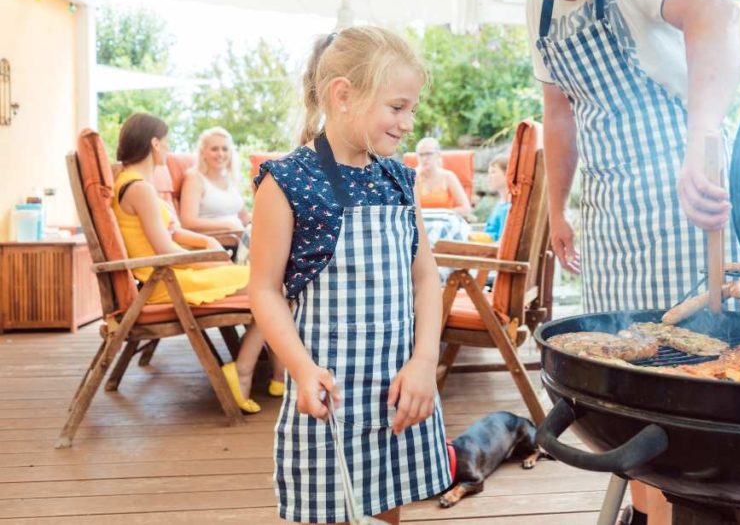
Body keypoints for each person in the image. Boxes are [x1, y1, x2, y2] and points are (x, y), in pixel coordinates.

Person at [478, 0, 740, 525]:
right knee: (625, 389)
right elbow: (559, 112)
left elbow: (713, 10)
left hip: (680, 197)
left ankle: (705, 506)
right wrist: (559, 208)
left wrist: (702, 140)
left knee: (696, 376)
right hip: (610, 215)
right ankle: (648, 511)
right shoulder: (542, 7)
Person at [247, 27, 451, 525]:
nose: (407, 123)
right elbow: (264, 290)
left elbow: (425, 279)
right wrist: (297, 367)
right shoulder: (288, 182)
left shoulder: (399, 180)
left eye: (410, 109)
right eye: (397, 107)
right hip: (328, 394)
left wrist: (425, 361)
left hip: (398, 390)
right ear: (343, 95)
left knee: (385, 509)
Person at [112, 112, 267, 414]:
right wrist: (209, 261)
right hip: (166, 282)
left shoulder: (135, 184)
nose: (168, 150)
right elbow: (164, 249)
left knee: (268, 285)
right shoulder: (140, 189)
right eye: (166, 144)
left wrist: (206, 243)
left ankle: (251, 369)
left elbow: (170, 232)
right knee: (272, 288)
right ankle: (243, 372)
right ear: (154, 144)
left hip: (168, 275)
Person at [179, 126, 250, 235]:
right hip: (219, 243)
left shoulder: (232, 178)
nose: (220, 154)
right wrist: (228, 226)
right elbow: (188, 222)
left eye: (225, 149)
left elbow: (244, 217)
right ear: (203, 153)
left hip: (241, 238)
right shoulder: (195, 178)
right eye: (214, 149)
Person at [413, 137, 472, 218]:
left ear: (438, 155)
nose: (424, 158)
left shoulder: (448, 176)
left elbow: (466, 209)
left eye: (428, 154)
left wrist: (441, 214)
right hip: (419, 224)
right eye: (421, 155)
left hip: (444, 222)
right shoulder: (411, 177)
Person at [482, 153, 511, 242]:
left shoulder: (508, 208)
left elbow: (501, 240)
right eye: (488, 173)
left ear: (507, 174)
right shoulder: (501, 204)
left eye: (493, 172)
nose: (489, 177)